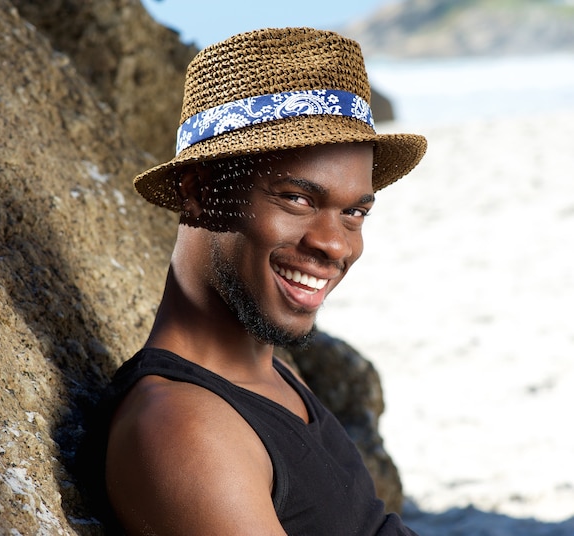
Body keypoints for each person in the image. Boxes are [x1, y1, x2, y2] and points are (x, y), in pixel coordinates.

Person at [90, 27, 427, 535]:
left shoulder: (271, 372)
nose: (336, 245)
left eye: (355, 211)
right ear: (200, 190)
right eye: (297, 199)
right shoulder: (185, 430)